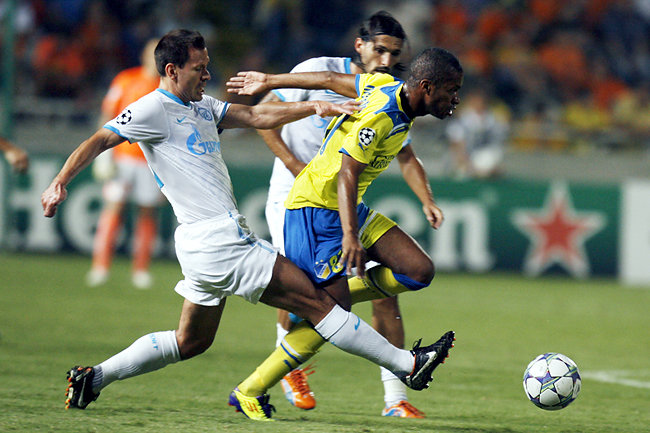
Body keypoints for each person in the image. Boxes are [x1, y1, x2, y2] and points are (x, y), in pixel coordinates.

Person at [41, 29, 454, 418]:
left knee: (190, 341)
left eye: (207, 66)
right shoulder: (153, 108)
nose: (208, 74)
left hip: (201, 246)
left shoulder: (201, 106)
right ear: (171, 71)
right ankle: (407, 364)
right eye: (199, 68)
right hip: (220, 240)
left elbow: (257, 116)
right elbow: (101, 138)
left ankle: (94, 378)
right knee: (321, 304)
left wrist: (316, 106)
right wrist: (59, 182)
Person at [226, 45, 462, 420]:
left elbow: (329, 79)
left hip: (347, 206)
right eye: (452, 90)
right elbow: (347, 173)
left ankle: (324, 300)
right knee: (331, 318)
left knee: (418, 271)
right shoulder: (383, 115)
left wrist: (269, 79)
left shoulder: (383, 85)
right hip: (316, 210)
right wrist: (351, 235)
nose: (456, 99)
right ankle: (249, 391)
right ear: (427, 87)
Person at [258, 11, 431, 418]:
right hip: (295, 199)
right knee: (301, 291)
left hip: (343, 202)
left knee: (386, 291)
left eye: (394, 54)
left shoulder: (387, 91)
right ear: (359, 45)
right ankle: (287, 369)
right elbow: (264, 118)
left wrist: (427, 198)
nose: (386, 60)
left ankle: (395, 398)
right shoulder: (318, 70)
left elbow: (406, 155)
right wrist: (294, 166)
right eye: (380, 50)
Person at [87, 38, 164, 289]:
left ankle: (141, 269)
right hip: (123, 156)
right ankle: (100, 266)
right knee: (113, 207)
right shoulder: (126, 79)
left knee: (147, 211)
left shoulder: (167, 86)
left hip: (151, 161)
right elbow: (108, 113)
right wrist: (103, 153)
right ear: (143, 55)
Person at [446, 87, 508, 179]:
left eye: (481, 101)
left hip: (482, 158)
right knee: (461, 173)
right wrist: (467, 165)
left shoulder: (491, 120)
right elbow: (457, 146)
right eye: (476, 100)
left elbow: (496, 144)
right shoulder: (462, 120)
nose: (479, 103)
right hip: (465, 161)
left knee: (490, 158)